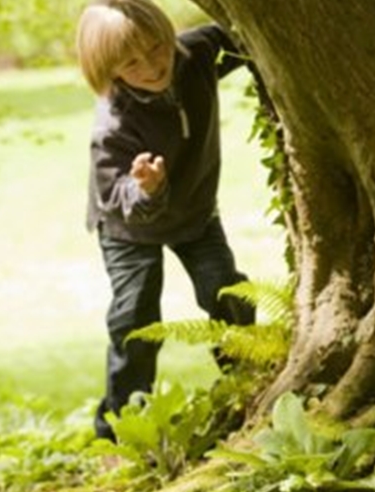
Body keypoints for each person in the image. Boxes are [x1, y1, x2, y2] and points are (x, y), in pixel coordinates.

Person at [76, 0, 254, 441]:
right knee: (134, 318)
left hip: (194, 210)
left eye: (157, 48)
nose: (152, 66)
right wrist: (147, 188)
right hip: (129, 228)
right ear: (110, 72)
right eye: (131, 63)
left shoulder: (194, 55)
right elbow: (115, 196)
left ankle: (250, 382)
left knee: (224, 289)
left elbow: (248, 40)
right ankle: (121, 429)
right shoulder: (114, 126)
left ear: (168, 35)